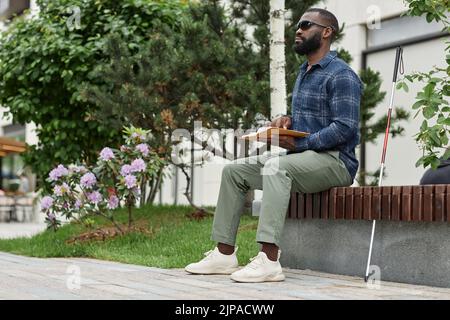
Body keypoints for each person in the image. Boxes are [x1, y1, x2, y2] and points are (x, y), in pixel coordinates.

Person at [185, 8, 362, 283]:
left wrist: (301, 144)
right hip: (306, 160)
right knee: (234, 171)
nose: (298, 31)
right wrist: (286, 122)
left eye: (306, 25)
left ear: (326, 33)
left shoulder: (342, 75)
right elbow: (312, 120)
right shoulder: (304, 72)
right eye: (297, 27)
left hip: (336, 161)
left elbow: (344, 127)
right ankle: (224, 254)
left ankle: (269, 260)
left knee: (275, 167)